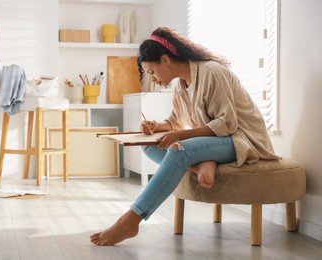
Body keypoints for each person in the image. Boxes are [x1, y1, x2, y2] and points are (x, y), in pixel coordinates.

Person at [90, 27, 279, 246]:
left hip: (242, 140)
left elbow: (227, 124)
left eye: (152, 72)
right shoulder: (181, 84)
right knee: (149, 146)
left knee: (179, 149)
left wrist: (178, 135)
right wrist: (157, 126)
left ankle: (130, 221)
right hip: (217, 141)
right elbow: (175, 120)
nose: (152, 78)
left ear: (165, 59)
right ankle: (202, 165)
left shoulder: (211, 72)